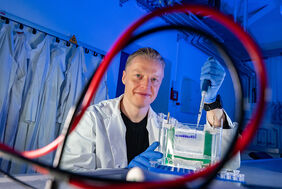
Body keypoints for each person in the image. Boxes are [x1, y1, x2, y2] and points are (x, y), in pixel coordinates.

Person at [60, 47, 240, 172]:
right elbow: (68, 178)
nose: (146, 85)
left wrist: (212, 102)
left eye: (154, 79)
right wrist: (124, 175)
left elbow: (222, 160)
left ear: (161, 83)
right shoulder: (90, 119)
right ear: (124, 77)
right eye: (138, 75)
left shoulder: (167, 127)